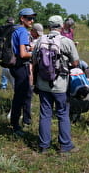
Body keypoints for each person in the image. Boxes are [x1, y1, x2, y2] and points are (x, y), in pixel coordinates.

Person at [32, 15, 80, 153]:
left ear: (49, 27)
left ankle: (43, 146)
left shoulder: (40, 40)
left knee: (45, 114)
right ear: (61, 26)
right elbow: (76, 62)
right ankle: (65, 146)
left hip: (43, 84)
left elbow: (34, 61)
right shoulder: (66, 41)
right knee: (63, 114)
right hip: (61, 85)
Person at [8, 8, 36, 135]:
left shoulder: (15, 30)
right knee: (19, 97)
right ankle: (15, 126)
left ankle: (25, 120)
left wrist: (29, 47)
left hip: (14, 66)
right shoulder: (23, 31)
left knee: (23, 94)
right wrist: (35, 53)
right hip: (21, 67)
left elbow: (20, 48)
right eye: (29, 18)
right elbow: (24, 54)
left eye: (32, 18)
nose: (32, 20)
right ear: (22, 18)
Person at [0, 17, 16, 90]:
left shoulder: (15, 30)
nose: (9, 24)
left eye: (11, 23)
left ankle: (12, 85)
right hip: (5, 51)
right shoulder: (4, 30)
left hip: (12, 51)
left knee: (10, 68)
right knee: (5, 68)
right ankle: (4, 85)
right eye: (9, 22)